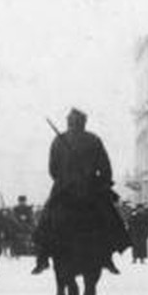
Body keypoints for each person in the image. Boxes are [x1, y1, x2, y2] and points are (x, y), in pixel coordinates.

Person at [32, 109, 131, 275]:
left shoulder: (58, 140)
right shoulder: (94, 140)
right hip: (90, 190)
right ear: (84, 122)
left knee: (47, 219)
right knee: (108, 216)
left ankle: (42, 257)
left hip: (64, 190)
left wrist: (64, 179)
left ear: (69, 122)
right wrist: (99, 182)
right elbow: (106, 169)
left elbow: (53, 170)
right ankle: (107, 256)